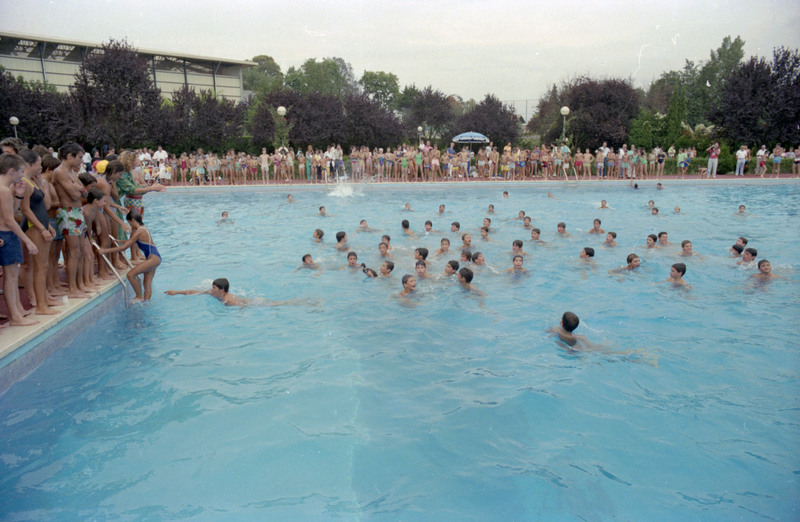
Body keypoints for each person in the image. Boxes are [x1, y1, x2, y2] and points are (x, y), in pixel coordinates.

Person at [0, 154, 40, 327]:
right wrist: (27, 240)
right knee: (10, 277)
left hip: (6, 234)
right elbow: (9, 220)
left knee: (12, 276)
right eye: (21, 171)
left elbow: (9, 212)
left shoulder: (5, 189)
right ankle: (15, 317)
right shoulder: (3, 190)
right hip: (7, 235)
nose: (23, 175)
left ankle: (17, 311)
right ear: (11, 171)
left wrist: (18, 196)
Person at [98, 211, 161, 301]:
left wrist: (105, 251)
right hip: (155, 257)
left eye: (129, 223)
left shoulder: (139, 231)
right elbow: (132, 241)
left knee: (130, 275)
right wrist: (119, 241)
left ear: (132, 220)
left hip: (153, 258)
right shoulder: (143, 229)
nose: (130, 225)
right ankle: (146, 303)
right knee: (147, 284)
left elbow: (124, 248)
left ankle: (139, 296)